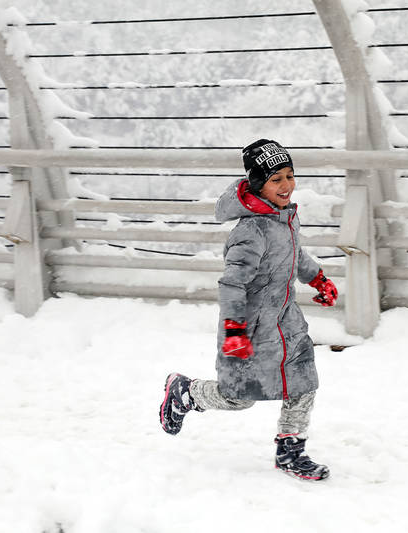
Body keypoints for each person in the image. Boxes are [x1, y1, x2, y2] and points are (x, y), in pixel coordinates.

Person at [159, 138, 339, 481]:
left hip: (286, 325)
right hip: (249, 330)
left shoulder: (285, 218)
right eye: (276, 179)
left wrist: (318, 278)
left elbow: (295, 256)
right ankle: (186, 392)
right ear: (259, 184)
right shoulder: (252, 230)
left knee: (303, 383)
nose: (287, 185)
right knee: (237, 398)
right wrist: (234, 330)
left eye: (289, 175)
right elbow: (233, 285)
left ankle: (290, 451)